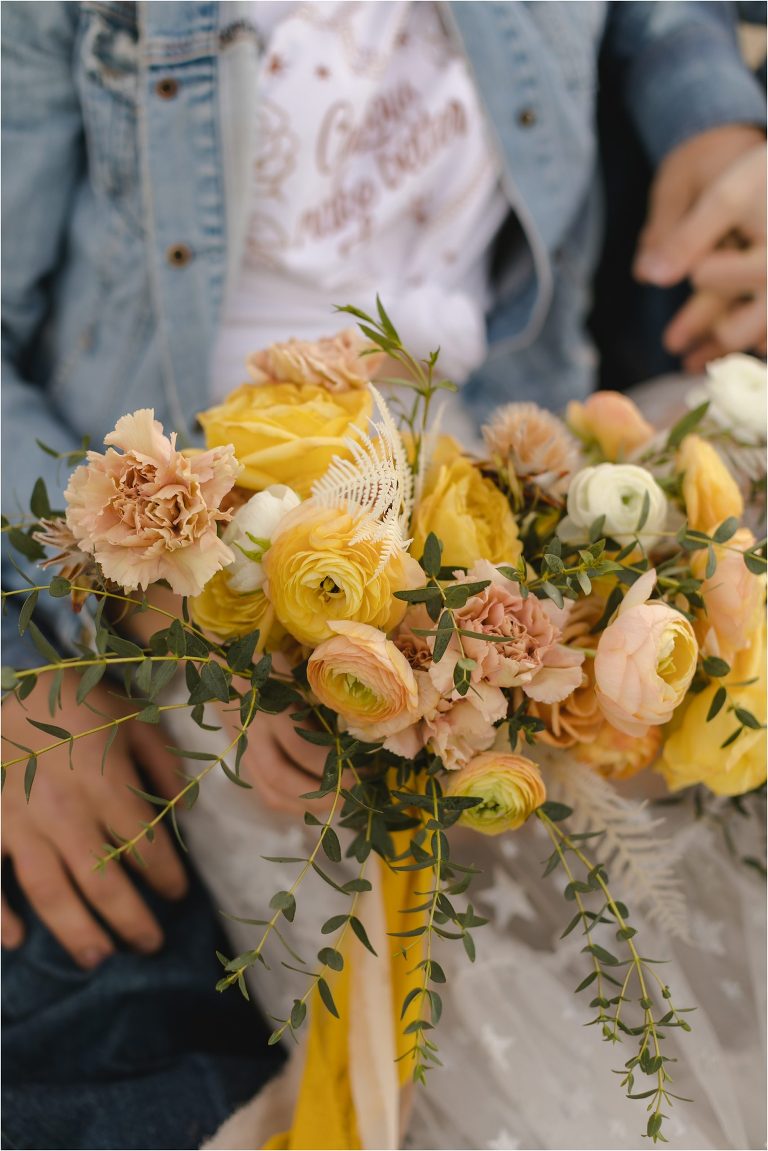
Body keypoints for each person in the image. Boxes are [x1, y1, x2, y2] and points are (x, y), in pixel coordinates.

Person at [1, 3, 765, 1148]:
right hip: (169, 553)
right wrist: (20, 652)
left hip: (504, 481)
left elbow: (655, 17)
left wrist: (716, 127)